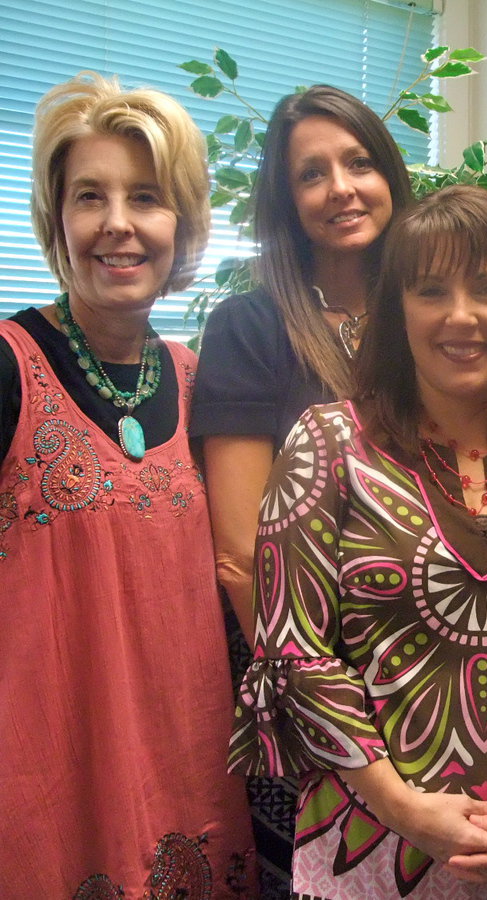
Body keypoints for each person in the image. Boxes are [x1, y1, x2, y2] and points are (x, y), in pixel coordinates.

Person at [228, 184, 487, 899]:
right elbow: (296, 655)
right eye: (430, 291)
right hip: (371, 853)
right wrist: (408, 810)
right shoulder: (326, 446)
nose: (462, 317)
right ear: (397, 311)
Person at [0, 73, 254, 896]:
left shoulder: (201, 381)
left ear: (180, 223)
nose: (118, 224)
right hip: (49, 793)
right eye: (88, 196)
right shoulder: (9, 368)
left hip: (193, 779)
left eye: (145, 196)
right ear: (56, 219)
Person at [191, 84, 413, 895]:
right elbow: (241, 554)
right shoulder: (250, 328)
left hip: (432, 677)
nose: (341, 188)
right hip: (311, 689)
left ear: (390, 173)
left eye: (358, 162)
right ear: (287, 201)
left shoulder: (433, 315)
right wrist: (327, 707)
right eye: (312, 174)